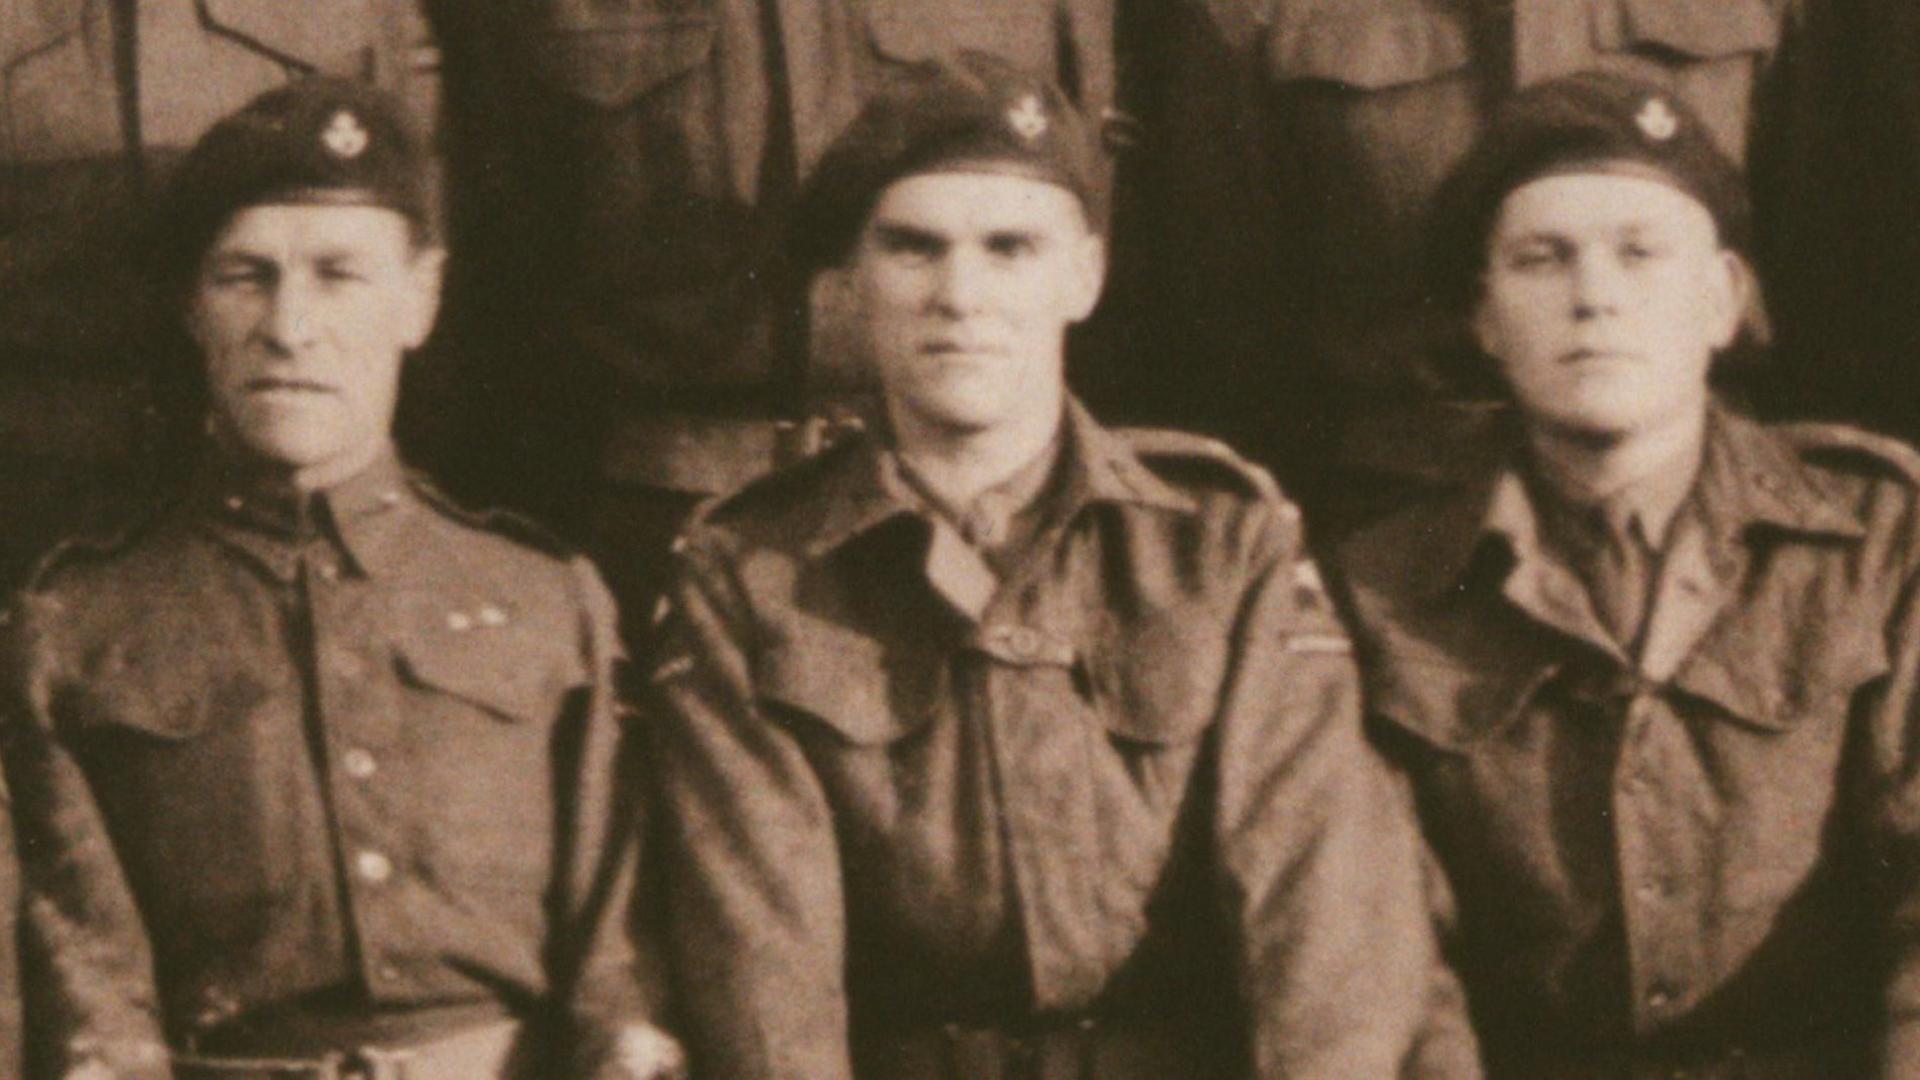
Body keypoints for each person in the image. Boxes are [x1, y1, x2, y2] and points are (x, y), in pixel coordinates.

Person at [647, 51, 1473, 1080]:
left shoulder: (1220, 545)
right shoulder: (752, 574)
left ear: (1083, 276)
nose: (960, 292)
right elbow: (766, 978)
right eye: (913, 248)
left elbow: (1328, 927)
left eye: (1009, 247)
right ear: (853, 285)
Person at [0, 78, 680, 1080]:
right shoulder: (79, 623)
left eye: (339, 274)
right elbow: (94, 996)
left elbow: (617, 968)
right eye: (246, 276)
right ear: (192, 306)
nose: (290, 326)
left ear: (422, 298)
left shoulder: (547, 599)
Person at [1337, 71, 1920, 1078]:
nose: (1594, 295)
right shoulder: (1386, 585)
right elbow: (1395, 956)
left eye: (1640, 254)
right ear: (1483, 320)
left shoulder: (1874, 538)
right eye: (1542, 260)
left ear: (1722, 301)